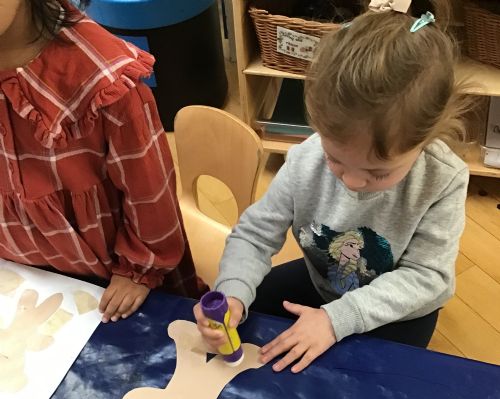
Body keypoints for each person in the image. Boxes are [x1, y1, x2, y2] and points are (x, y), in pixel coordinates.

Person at [194, 0, 470, 373]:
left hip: (400, 310)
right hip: (324, 282)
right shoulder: (305, 159)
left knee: (361, 382)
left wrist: (335, 319)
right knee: (249, 313)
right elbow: (256, 235)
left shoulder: (443, 179)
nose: (353, 182)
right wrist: (233, 294)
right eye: (335, 159)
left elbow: (427, 277)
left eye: (378, 173)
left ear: (425, 140)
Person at [0, 0, 205, 323]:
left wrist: (138, 269)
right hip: (18, 276)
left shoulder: (104, 80)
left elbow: (150, 193)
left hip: (108, 280)